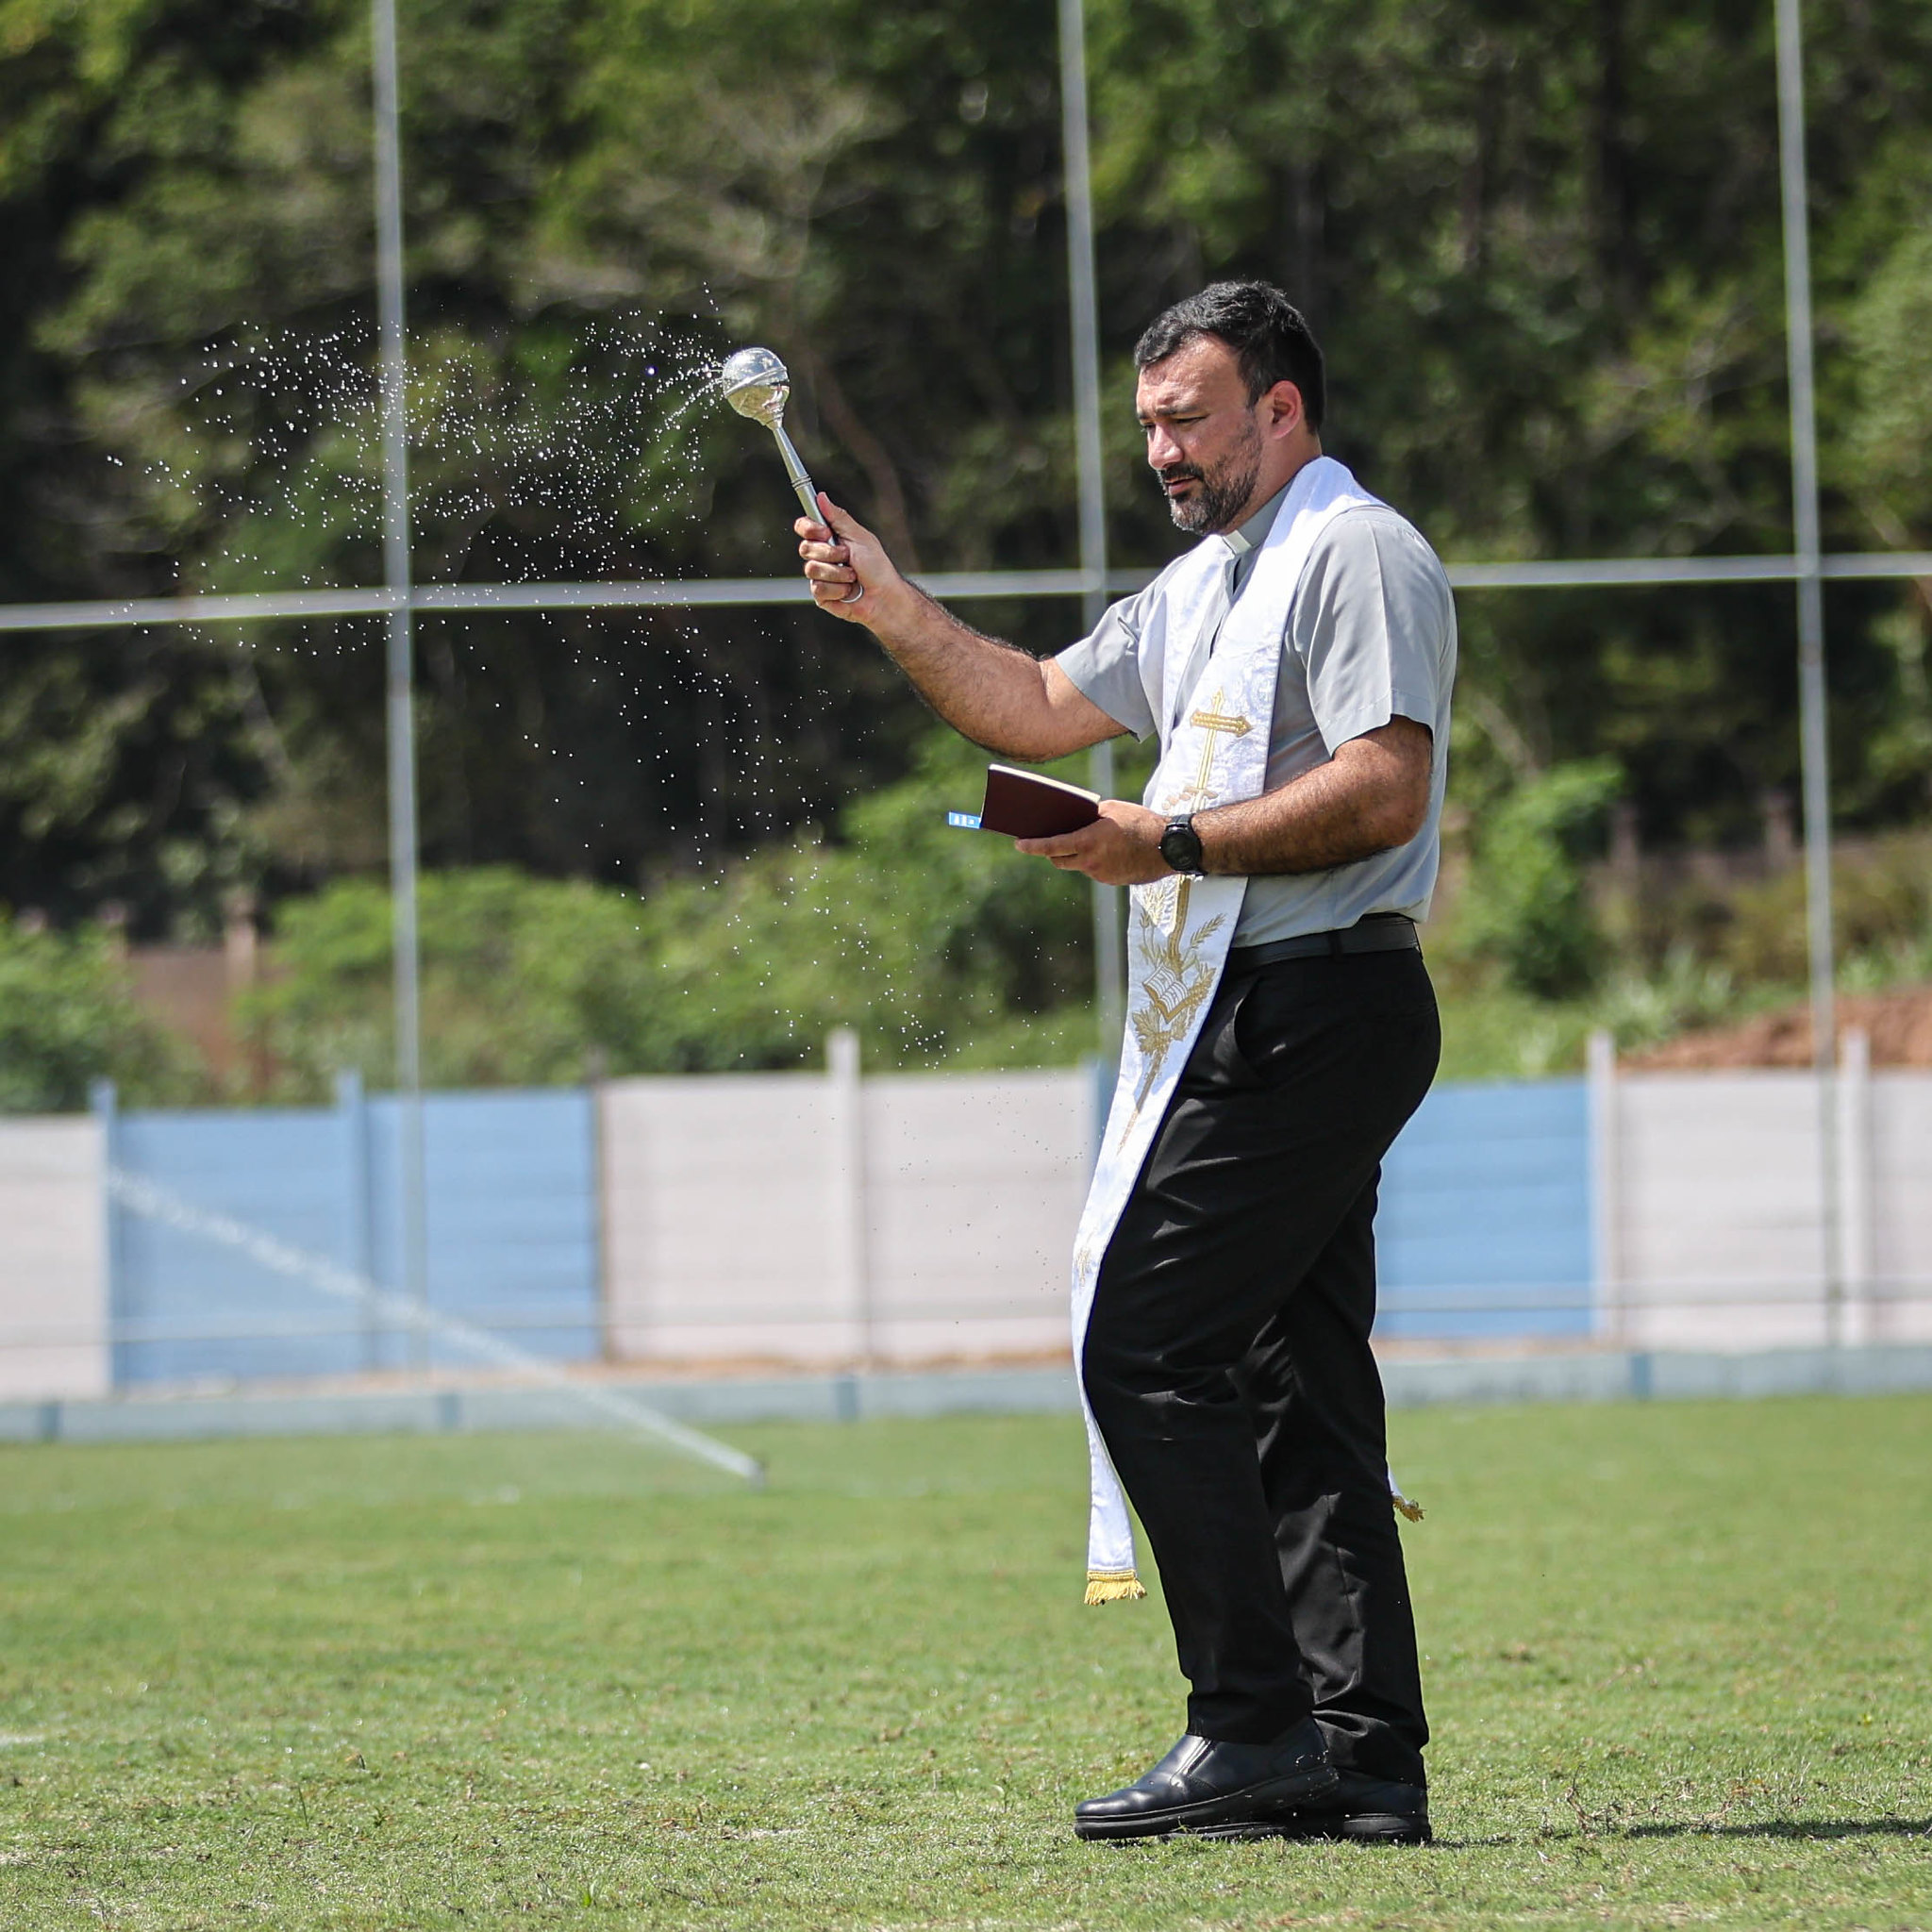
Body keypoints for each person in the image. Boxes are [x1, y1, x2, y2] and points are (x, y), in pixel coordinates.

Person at [794, 280, 1455, 1845]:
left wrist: (1161, 836)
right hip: (1256, 1006)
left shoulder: (1358, 552)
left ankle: (1250, 1726)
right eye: (1149, 418)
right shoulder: (1205, 583)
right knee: (1294, 1385)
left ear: (1279, 408)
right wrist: (890, 606)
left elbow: (1385, 788)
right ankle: (1362, 1763)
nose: (1161, 444)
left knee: (1146, 1345)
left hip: (1318, 1004)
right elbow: (1027, 706)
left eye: (1190, 415)